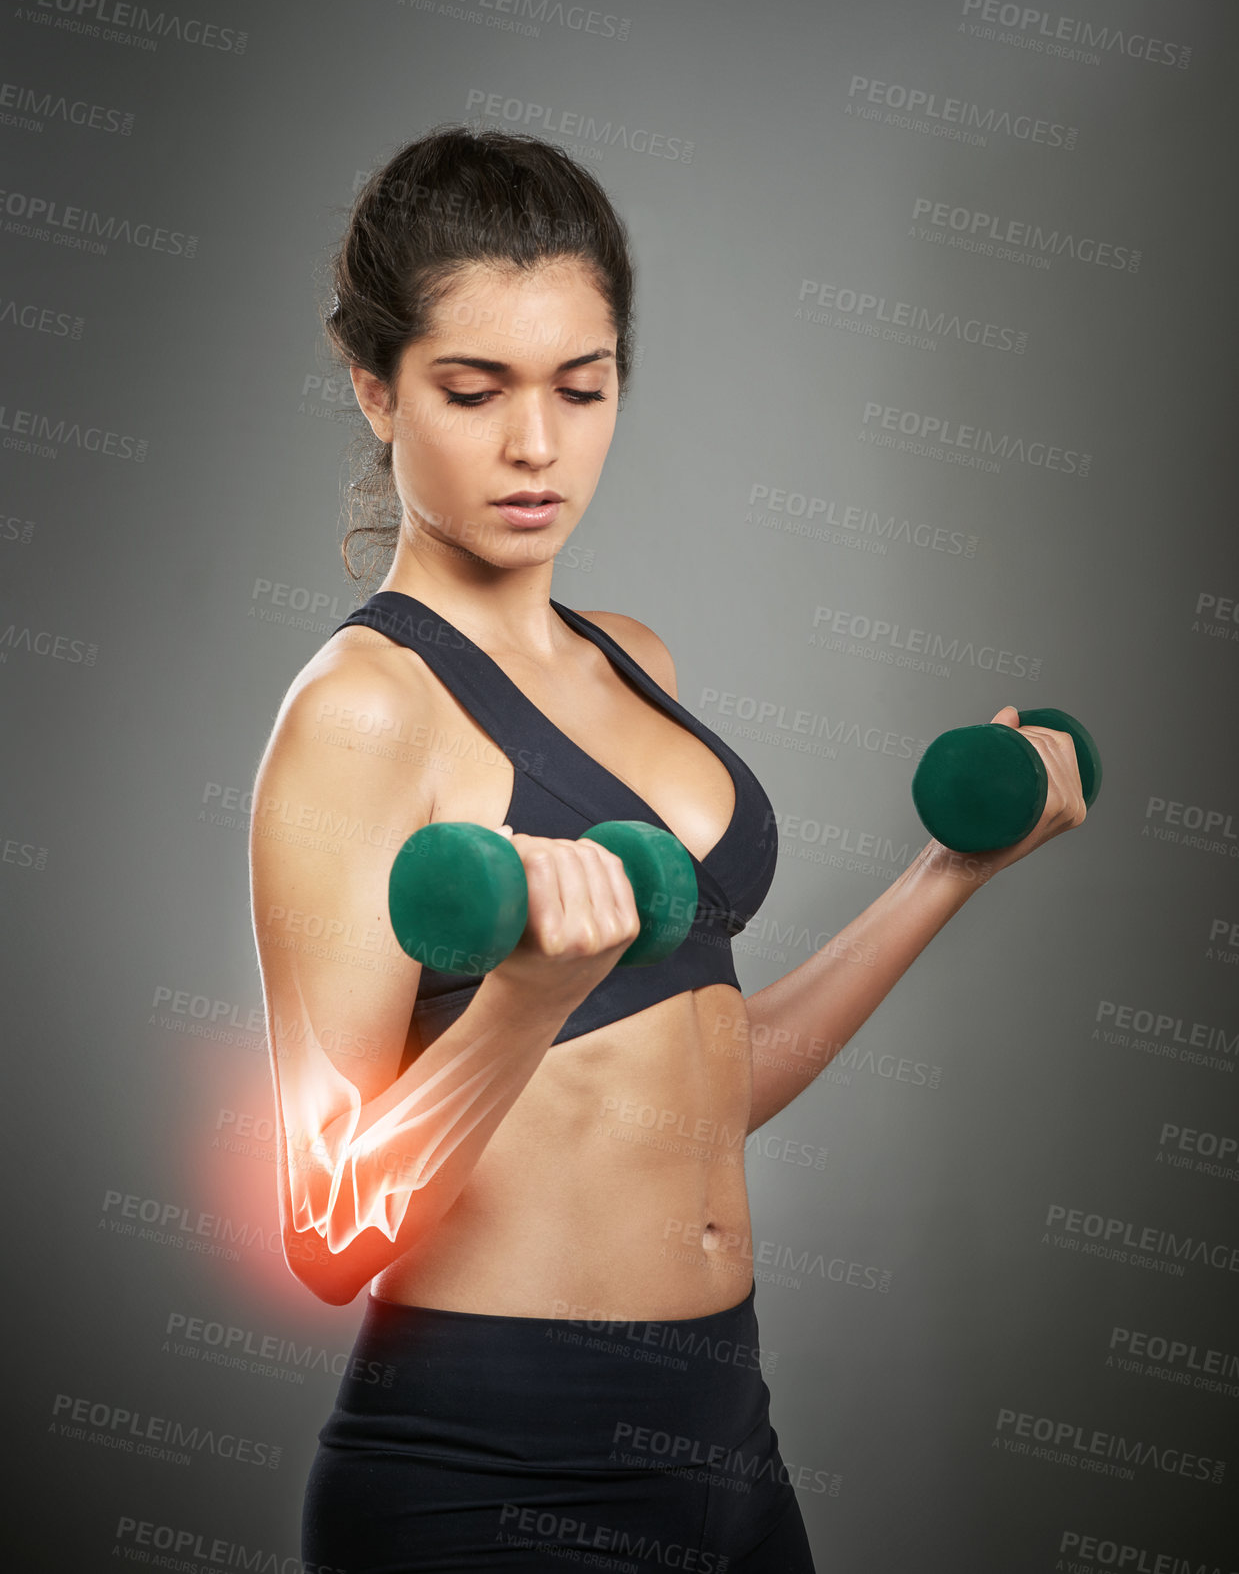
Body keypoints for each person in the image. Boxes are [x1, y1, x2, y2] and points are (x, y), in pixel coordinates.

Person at [247, 124, 1087, 1573]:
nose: (537, 445)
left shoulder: (632, 658)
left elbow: (702, 1076)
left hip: (724, 1432)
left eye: (583, 386)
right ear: (375, 387)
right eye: (474, 388)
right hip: (482, 1468)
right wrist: (523, 1000)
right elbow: (324, 1228)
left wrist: (947, 872)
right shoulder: (363, 713)